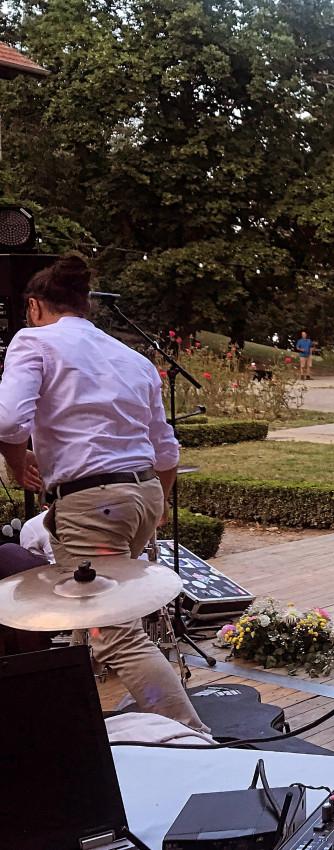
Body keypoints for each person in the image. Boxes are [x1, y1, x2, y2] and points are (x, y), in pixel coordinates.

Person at [0, 254, 208, 732]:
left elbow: (9, 421)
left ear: (34, 306)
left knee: (116, 636)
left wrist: (17, 465)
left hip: (94, 503)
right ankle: (69, 722)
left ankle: (195, 736)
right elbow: (166, 451)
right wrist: (153, 508)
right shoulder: (131, 357)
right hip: (143, 495)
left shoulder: (33, 340)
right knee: (85, 613)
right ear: (84, 305)